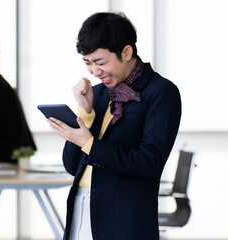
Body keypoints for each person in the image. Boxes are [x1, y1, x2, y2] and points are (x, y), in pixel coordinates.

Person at [46, 12, 182, 240]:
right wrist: (84, 113)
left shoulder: (161, 92)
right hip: (81, 211)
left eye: (100, 62)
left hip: (125, 220)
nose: (94, 71)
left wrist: (89, 143)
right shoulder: (97, 94)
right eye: (87, 63)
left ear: (126, 52)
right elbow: (72, 166)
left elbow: (149, 163)